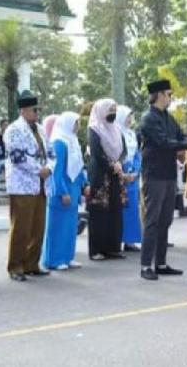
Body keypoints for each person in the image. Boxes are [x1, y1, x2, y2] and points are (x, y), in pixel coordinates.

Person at [139, 80, 187, 281]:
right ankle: (146, 265)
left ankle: (161, 263)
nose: (170, 98)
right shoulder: (148, 119)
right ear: (158, 95)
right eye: (168, 94)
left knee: (165, 220)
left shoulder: (168, 118)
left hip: (169, 174)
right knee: (152, 221)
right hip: (154, 174)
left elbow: (180, 136)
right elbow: (163, 142)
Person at [5, 93, 52, 281]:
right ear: (23, 110)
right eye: (34, 110)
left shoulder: (40, 129)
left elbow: (51, 152)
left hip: (41, 184)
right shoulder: (13, 129)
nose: (37, 114)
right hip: (22, 184)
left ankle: (32, 264)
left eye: (38, 110)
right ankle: (15, 266)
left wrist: (49, 167)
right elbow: (17, 157)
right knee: (21, 229)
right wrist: (39, 169)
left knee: (38, 227)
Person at [43, 112, 88, 271]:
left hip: (74, 188)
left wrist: (85, 184)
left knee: (70, 226)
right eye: (76, 123)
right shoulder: (59, 142)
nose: (78, 127)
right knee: (57, 226)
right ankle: (54, 259)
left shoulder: (73, 141)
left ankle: (68, 257)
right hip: (62, 190)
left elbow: (80, 166)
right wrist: (62, 192)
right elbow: (57, 171)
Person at [86, 98, 127, 262]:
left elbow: (123, 151)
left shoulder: (117, 128)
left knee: (115, 211)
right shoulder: (94, 129)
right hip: (100, 176)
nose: (112, 114)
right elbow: (96, 152)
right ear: (101, 111)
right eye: (109, 110)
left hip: (115, 175)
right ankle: (96, 250)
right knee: (99, 212)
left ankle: (113, 248)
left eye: (114, 110)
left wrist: (119, 163)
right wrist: (112, 165)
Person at [117, 106, 142, 252]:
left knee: (132, 209)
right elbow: (116, 154)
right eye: (127, 116)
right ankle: (118, 239)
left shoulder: (132, 134)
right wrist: (125, 171)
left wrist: (136, 171)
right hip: (122, 174)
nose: (130, 120)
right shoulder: (117, 133)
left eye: (131, 117)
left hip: (133, 175)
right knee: (121, 209)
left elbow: (138, 153)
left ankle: (130, 241)